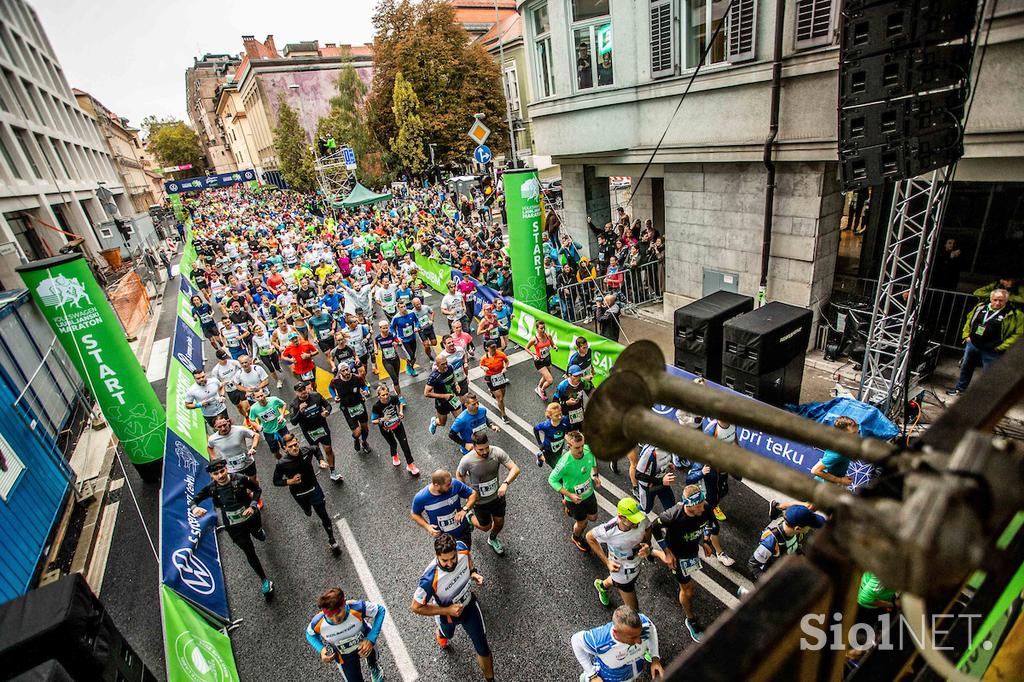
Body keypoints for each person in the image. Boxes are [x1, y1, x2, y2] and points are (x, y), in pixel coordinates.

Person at [410, 534, 494, 682]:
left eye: (453, 558)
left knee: (483, 648)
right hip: (447, 616)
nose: (450, 563)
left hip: (469, 606)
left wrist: (473, 572)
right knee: (448, 636)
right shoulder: (429, 579)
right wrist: (447, 611)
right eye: (445, 560)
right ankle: (442, 634)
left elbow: (468, 557)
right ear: (437, 556)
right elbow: (416, 607)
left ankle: (490, 680)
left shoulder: (461, 548)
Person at [190, 459, 273, 598]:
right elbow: (194, 500)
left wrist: (253, 505)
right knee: (249, 551)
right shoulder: (211, 488)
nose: (220, 475)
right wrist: (195, 508)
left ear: (226, 469)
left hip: (251, 518)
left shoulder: (240, 479)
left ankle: (259, 532)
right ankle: (264, 580)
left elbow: (257, 489)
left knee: (258, 535)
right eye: (216, 474)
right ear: (211, 476)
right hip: (234, 526)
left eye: (222, 471)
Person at [651, 484, 715, 642]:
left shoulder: (705, 508)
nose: (702, 508)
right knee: (688, 591)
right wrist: (667, 552)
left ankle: (651, 553)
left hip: (692, 549)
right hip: (678, 556)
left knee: (689, 584)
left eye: (702, 503)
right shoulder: (672, 516)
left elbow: (709, 523)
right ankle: (691, 620)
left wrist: (706, 541)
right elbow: (654, 527)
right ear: (689, 505)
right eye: (699, 505)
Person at [273, 433, 340, 554]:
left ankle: (332, 540)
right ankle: (307, 509)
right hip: (299, 494)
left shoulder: (306, 451)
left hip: (314, 489)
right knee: (308, 511)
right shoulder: (282, 464)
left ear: (298, 442)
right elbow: (276, 481)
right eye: (290, 447)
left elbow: (316, 449)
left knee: (324, 515)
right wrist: (290, 481)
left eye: (295, 444)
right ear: (285, 449)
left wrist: (320, 460)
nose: (294, 448)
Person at [947, 288, 1022, 395]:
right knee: (966, 367)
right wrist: (966, 336)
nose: (997, 303)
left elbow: (1018, 334)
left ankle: (985, 396)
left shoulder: (1014, 314)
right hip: (973, 344)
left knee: (989, 375)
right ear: (991, 299)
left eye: (1001, 300)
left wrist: (1002, 347)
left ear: (1006, 301)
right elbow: (969, 320)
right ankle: (960, 388)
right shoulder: (980, 307)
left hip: (992, 349)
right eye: (995, 299)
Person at [456, 432, 520, 555]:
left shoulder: (496, 452)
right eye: (481, 449)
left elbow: (515, 469)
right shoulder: (467, 460)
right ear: (474, 447)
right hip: (480, 502)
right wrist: (467, 493)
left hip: (497, 497)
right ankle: (470, 518)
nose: (485, 451)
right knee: (485, 527)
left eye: (486, 447)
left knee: (500, 522)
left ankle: (493, 539)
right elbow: (459, 474)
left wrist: (505, 484)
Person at [306, 587, 386, 682]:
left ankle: (374, 667)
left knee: (372, 658)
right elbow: (310, 634)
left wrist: (371, 638)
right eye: (330, 616)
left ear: (344, 603)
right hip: (344, 656)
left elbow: (380, 610)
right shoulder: (318, 622)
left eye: (338, 613)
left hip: (366, 644)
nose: (335, 619)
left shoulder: (357, 608)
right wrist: (321, 649)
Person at [587, 498, 653, 611]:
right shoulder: (609, 530)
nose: (637, 523)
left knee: (625, 579)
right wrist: (607, 562)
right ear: (621, 517)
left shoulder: (641, 518)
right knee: (634, 610)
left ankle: (602, 586)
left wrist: (647, 544)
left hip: (635, 563)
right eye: (632, 520)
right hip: (620, 569)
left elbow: (648, 526)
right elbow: (590, 537)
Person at [571, 606, 664, 682]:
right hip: (608, 677)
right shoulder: (599, 640)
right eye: (632, 637)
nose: (639, 641)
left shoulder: (644, 623)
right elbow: (575, 641)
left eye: (639, 635)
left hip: (634, 670)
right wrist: (592, 675)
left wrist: (655, 658)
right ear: (615, 633)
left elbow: (652, 631)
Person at [548, 430, 602, 553]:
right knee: (582, 523)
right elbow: (552, 480)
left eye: (582, 445)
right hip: (573, 498)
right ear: (569, 446)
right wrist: (570, 495)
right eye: (577, 447)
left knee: (593, 518)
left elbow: (593, 462)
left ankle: (569, 508)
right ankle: (576, 537)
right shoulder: (564, 463)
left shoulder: (588, 450)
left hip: (588, 492)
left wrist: (595, 476)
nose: (581, 449)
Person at [747, 504, 824, 582]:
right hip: (769, 577)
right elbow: (753, 565)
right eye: (810, 526)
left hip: (782, 567)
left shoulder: (794, 531)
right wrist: (769, 583)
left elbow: (793, 546)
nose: (811, 528)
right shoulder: (770, 542)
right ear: (798, 528)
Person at [410, 469, 477, 549]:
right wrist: (427, 527)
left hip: (462, 531)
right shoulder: (421, 497)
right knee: (449, 560)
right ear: (436, 485)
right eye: (448, 485)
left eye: (451, 482)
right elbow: (414, 514)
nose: (451, 486)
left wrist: (465, 509)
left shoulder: (455, 484)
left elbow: (473, 494)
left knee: (464, 555)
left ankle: (468, 518)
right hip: (442, 538)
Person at [290, 381, 343, 482]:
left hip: (322, 427)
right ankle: (320, 460)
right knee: (315, 449)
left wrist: (327, 412)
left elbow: (328, 405)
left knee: (328, 449)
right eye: (300, 391)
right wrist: (300, 412)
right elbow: (293, 422)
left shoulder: (316, 396)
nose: (303, 392)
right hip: (309, 431)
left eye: (304, 389)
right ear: (296, 393)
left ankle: (333, 471)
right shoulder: (294, 405)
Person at [371, 383, 418, 474]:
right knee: (393, 444)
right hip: (386, 428)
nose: (385, 396)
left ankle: (410, 465)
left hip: (397, 424)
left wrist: (400, 412)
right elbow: (373, 421)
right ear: (378, 396)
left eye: (387, 394)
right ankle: (395, 455)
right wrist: (383, 419)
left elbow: (400, 403)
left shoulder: (393, 398)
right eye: (383, 395)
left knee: (405, 445)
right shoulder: (376, 406)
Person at [330, 363, 373, 457]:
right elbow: (330, 388)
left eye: (347, 369)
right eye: (343, 371)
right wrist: (334, 397)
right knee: (357, 432)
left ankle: (364, 442)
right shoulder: (335, 381)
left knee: (365, 428)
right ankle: (356, 439)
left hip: (359, 404)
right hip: (347, 408)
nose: (346, 372)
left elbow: (364, 385)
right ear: (340, 372)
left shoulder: (357, 377)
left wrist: (366, 391)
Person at [207, 413, 262, 486]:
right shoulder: (213, 439)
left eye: (224, 425)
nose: (223, 428)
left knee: (253, 482)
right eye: (219, 427)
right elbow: (209, 447)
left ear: (228, 422)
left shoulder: (239, 430)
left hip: (248, 462)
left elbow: (256, 435)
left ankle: (257, 493)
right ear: (215, 427)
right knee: (239, 486)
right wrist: (214, 459)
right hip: (231, 468)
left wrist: (253, 448)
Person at [629, 443, 677, 514]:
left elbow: (662, 459)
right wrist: (661, 481)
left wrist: (668, 464)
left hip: (661, 482)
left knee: (672, 508)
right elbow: (639, 475)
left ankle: (672, 523)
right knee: (645, 509)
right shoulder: (650, 452)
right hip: (648, 487)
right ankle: (627, 518)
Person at [811, 416, 858, 486]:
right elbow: (815, 470)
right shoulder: (838, 452)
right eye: (853, 434)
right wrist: (840, 480)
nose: (857, 437)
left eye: (857, 432)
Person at [424, 353, 462, 435]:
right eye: (442, 364)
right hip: (441, 403)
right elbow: (426, 393)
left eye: (446, 363)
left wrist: (456, 384)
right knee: (442, 423)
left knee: (461, 420)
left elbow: (453, 376)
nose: (445, 366)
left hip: (453, 398)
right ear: (437, 365)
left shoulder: (450, 367)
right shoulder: (434, 377)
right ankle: (435, 422)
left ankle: (466, 442)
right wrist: (444, 396)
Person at [248, 388, 289, 459]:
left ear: (264, 394)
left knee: (288, 446)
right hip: (268, 431)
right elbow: (251, 420)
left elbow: (283, 404)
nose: (261, 398)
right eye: (258, 397)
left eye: (262, 395)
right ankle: (280, 461)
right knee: (275, 451)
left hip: (281, 427)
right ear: (254, 398)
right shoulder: (254, 408)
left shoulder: (273, 400)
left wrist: (282, 415)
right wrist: (257, 426)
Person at [374, 319, 407, 403]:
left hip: (395, 358)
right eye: (384, 328)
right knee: (395, 380)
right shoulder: (378, 338)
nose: (386, 330)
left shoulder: (392, 335)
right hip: (386, 361)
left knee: (396, 377)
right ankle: (400, 397)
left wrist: (397, 343)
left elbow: (398, 341)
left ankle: (396, 387)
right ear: (380, 328)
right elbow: (375, 342)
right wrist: (375, 349)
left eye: (387, 328)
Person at [554, 364, 592, 432]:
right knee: (569, 433)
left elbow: (591, 392)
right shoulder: (563, 386)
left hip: (579, 411)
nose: (578, 378)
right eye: (575, 376)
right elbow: (554, 403)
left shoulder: (583, 382)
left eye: (580, 375)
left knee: (582, 431)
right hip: (566, 414)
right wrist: (566, 403)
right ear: (569, 375)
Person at [479, 341, 511, 423]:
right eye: (492, 347)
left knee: (502, 395)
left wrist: (505, 368)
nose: (494, 348)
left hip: (500, 376)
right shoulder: (484, 358)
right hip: (490, 378)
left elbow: (507, 361)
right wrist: (484, 368)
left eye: (495, 346)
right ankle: (504, 415)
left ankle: (492, 392)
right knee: (500, 399)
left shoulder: (500, 354)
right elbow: (481, 365)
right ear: (487, 348)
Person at [534, 402, 570, 468]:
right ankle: (540, 456)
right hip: (548, 449)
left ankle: (540, 456)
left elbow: (568, 429)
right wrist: (540, 443)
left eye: (560, 414)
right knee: (553, 466)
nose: (560, 417)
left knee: (557, 460)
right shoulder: (545, 425)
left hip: (559, 447)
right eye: (556, 415)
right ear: (550, 416)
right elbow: (535, 429)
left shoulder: (565, 420)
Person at [526, 320, 555, 400]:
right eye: (541, 328)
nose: (543, 330)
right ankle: (541, 390)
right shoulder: (534, 339)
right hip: (539, 362)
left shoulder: (548, 336)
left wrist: (555, 347)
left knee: (545, 376)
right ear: (537, 329)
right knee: (550, 380)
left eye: (544, 328)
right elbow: (526, 348)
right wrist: (533, 355)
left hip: (548, 359)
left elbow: (552, 344)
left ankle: (538, 387)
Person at [391, 301, 421, 377]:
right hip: (404, 340)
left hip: (412, 337)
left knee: (413, 356)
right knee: (411, 356)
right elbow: (391, 328)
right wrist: (396, 338)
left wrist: (417, 327)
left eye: (404, 306)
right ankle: (410, 368)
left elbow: (417, 321)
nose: (404, 308)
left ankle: (410, 366)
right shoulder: (396, 318)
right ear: (398, 308)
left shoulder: (412, 313)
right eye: (401, 307)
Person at [235, 354, 270, 420]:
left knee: (269, 410)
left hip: (264, 395)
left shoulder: (257, 369)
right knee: (259, 414)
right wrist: (246, 389)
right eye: (242, 363)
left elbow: (266, 381)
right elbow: (237, 386)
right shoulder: (239, 373)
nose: (244, 365)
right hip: (251, 398)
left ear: (250, 361)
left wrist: (257, 389)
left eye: (246, 362)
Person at [250, 322, 284, 388]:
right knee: (271, 369)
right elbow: (255, 347)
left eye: (259, 328)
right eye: (256, 329)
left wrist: (272, 348)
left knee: (276, 366)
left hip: (272, 353)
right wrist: (254, 357)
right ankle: (278, 381)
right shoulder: (254, 338)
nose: (259, 330)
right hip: (263, 355)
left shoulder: (267, 334)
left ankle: (278, 368)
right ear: (254, 332)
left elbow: (273, 342)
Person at [412, 296, 437, 361]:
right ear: (414, 305)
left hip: (429, 328)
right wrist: (415, 327)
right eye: (417, 304)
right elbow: (412, 321)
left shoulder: (425, 307)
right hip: (422, 330)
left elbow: (432, 312)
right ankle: (430, 356)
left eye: (419, 303)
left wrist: (432, 320)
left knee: (434, 343)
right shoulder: (412, 312)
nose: (419, 305)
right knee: (426, 345)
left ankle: (427, 345)